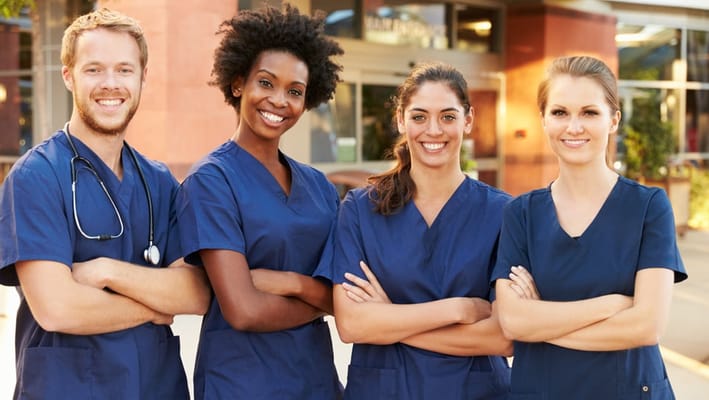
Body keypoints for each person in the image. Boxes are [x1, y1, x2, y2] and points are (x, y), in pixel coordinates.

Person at [0, 8, 210, 400]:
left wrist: (105, 271)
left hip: (156, 388)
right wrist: (153, 307)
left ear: (143, 77)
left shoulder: (159, 182)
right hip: (67, 389)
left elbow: (195, 293)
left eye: (124, 70)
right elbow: (57, 308)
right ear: (69, 76)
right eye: (94, 69)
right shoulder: (36, 177)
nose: (110, 84)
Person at [491, 55, 687, 400]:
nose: (574, 126)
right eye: (560, 112)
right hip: (541, 391)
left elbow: (646, 326)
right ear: (544, 120)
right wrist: (611, 305)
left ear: (613, 120)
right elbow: (512, 323)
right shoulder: (520, 214)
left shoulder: (647, 208)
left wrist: (541, 322)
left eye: (589, 112)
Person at [174, 4, 344, 399]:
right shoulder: (211, 181)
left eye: (295, 91)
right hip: (242, 383)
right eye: (266, 83)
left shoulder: (318, 186)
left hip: (316, 381)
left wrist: (288, 281)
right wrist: (318, 301)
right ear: (238, 85)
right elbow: (244, 310)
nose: (279, 101)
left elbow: (342, 298)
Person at [320, 62, 512, 399]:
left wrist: (388, 320)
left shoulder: (503, 213)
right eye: (419, 116)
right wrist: (459, 310)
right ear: (400, 120)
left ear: (468, 120)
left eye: (448, 116)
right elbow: (351, 325)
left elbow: (502, 337)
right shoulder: (361, 209)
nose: (433, 130)